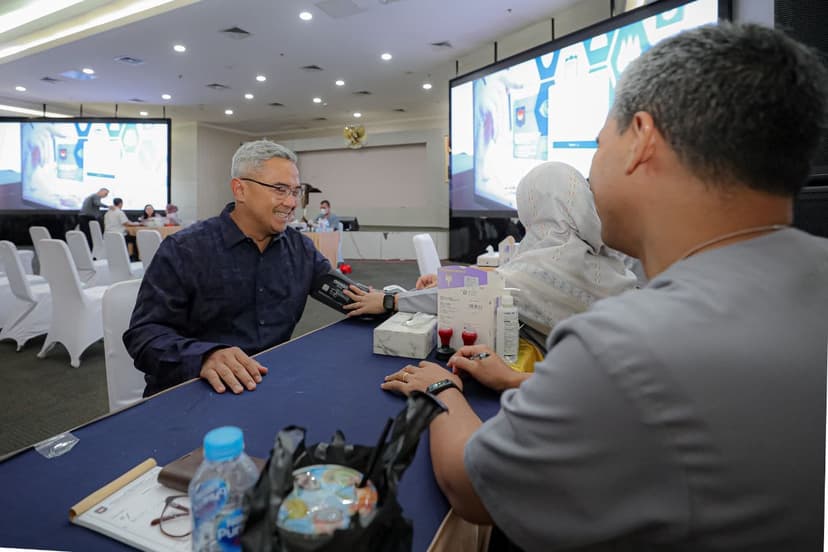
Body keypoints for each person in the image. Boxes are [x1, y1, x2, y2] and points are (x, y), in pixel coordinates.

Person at [380, 23, 828, 550]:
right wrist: (519, 382)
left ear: (640, 139)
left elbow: (470, 485)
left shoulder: (623, 344)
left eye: (597, 146)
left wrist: (441, 388)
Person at [343, 161, 638, 356]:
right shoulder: (595, 249)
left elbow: (489, 288)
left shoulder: (547, 262)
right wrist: (452, 276)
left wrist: (390, 301)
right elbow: (506, 273)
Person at [124, 140, 332, 397]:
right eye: (280, 189)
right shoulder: (185, 250)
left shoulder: (301, 249)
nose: (291, 203)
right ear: (240, 189)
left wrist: (387, 300)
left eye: (295, 191)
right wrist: (205, 357)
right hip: (194, 391)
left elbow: (345, 293)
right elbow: (144, 336)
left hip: (267, 385)